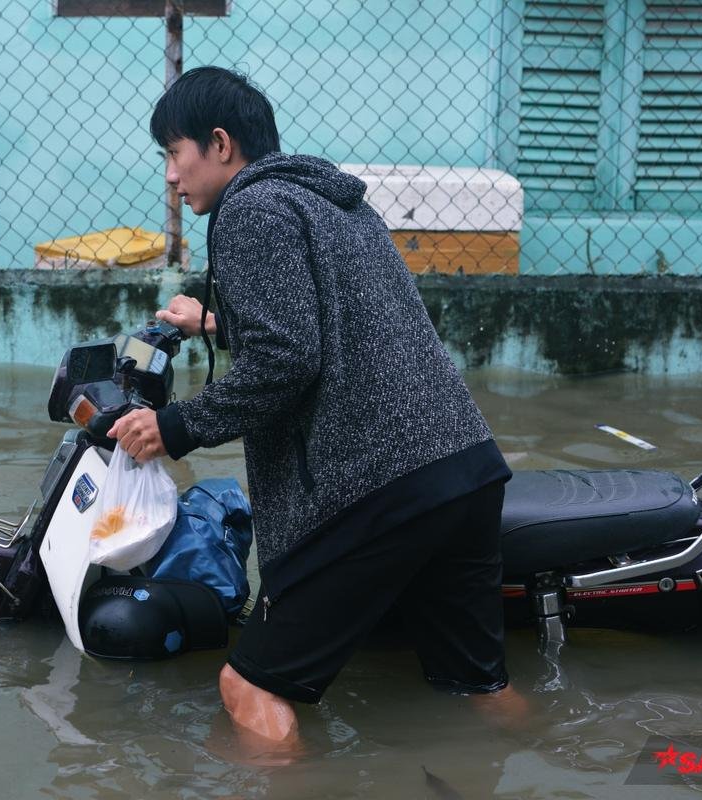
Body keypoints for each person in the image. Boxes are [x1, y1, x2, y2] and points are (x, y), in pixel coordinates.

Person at [108, 66, 524, 749]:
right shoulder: (333, 203)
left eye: (173, 153)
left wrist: (174, 426)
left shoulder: (249, 210)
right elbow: (333, 322)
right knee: (478, 689)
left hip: (382, 487)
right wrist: (214, 321)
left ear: (219, 144)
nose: (171, 177)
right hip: (464, 471)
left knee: (249, 688)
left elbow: (288, 361)